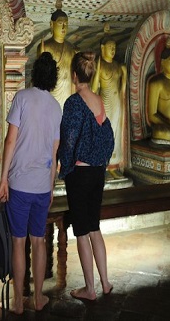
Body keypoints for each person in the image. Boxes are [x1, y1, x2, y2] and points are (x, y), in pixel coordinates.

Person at [0, 52, 62, 314]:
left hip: (20, 183)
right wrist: (52, 186)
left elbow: (10, 141)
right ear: (54, 77)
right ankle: (37, 298)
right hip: (42, 186)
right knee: (39, 241)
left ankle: (17, 302)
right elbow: (55, 152)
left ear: (34, 73)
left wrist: (3, 178)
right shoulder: (56, 107)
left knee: (18, 241)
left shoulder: (22, 98)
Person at [58, 51, 115, 301]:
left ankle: (89, 289)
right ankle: (105, 282)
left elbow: (68, 141)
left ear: (74, 76)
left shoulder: (73, 103)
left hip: (80, 173)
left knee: (81, 230)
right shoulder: (99, 101)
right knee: (94, 227)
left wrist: (64, 167)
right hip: (97, 172)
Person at [91, 37, 126, 177]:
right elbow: (93, 89)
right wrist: (98, 68)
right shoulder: (100, 65)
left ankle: (113, 165)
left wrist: (125, 75)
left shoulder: (118, 66)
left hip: (117, 102)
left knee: (116, 134)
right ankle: (102, 164)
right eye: (110, 47)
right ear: (102, 48)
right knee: (105, 133)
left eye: (114, 47)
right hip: (105, 102)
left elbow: (122, 88)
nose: (113, 50)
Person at [37, 0, 77, 109]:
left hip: (68, 94)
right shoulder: (46, 47)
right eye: (60, 23)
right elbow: (40, 76)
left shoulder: (71, 48)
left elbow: (74, 76)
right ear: (52, 24)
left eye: (66, 23)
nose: (64, 27)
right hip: (52, 94)